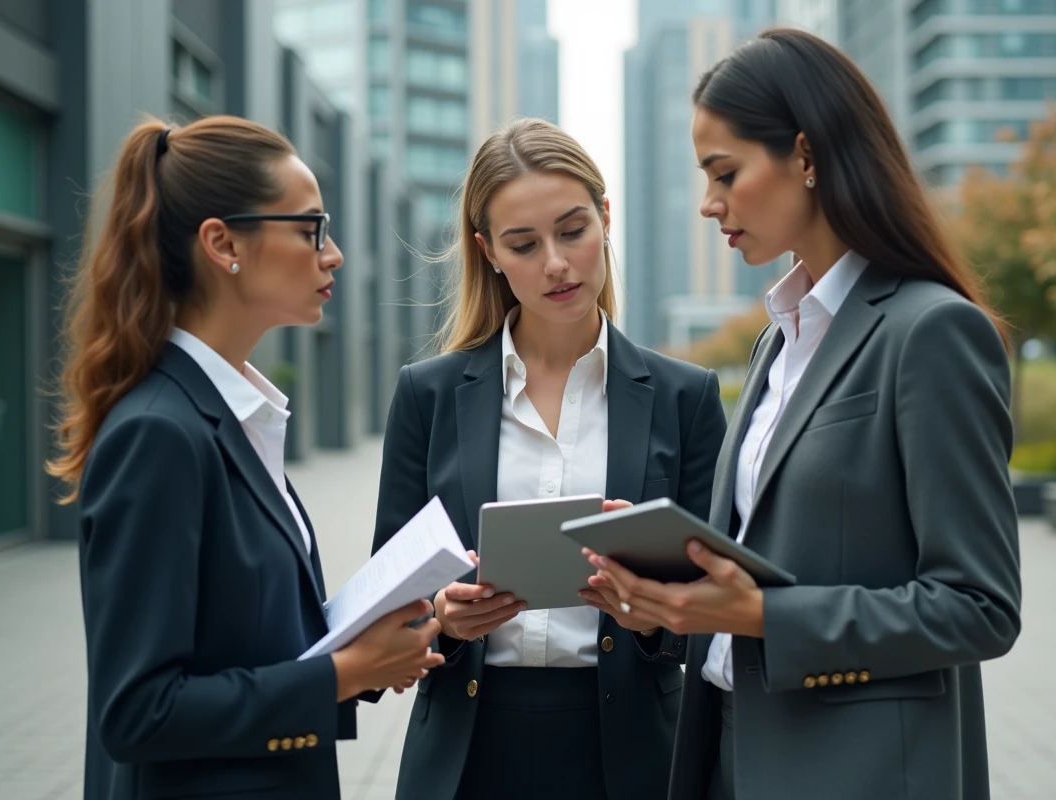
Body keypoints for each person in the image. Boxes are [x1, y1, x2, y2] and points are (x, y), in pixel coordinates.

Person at [583, 28, 1022, 800]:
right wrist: (669, 588)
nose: (707, 203)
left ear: (807, 157)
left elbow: (978, 607)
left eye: (725, 173)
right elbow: (772, 555)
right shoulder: (776, 344)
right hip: (730, 754)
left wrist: (763, 618)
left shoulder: (931, 331)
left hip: (861, 772)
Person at [48, 115, 444, 800]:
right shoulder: (160, 434)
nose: (335, 254)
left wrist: (363, 652)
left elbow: (242, 645)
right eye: (310, 229)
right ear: (223, 242)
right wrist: (345, 672)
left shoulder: (226, 418)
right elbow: (138, 712)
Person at [368, 118, 728, 800]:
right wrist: (441, 617)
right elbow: (390, 601)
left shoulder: (687, 397)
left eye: (572, 230)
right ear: (489, 252)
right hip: (468, 751)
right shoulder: (429, 395)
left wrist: (651, 617)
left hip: (630, 754)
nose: (556, 264)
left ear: (605, 218)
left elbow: (717, 613)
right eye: (524, 244)